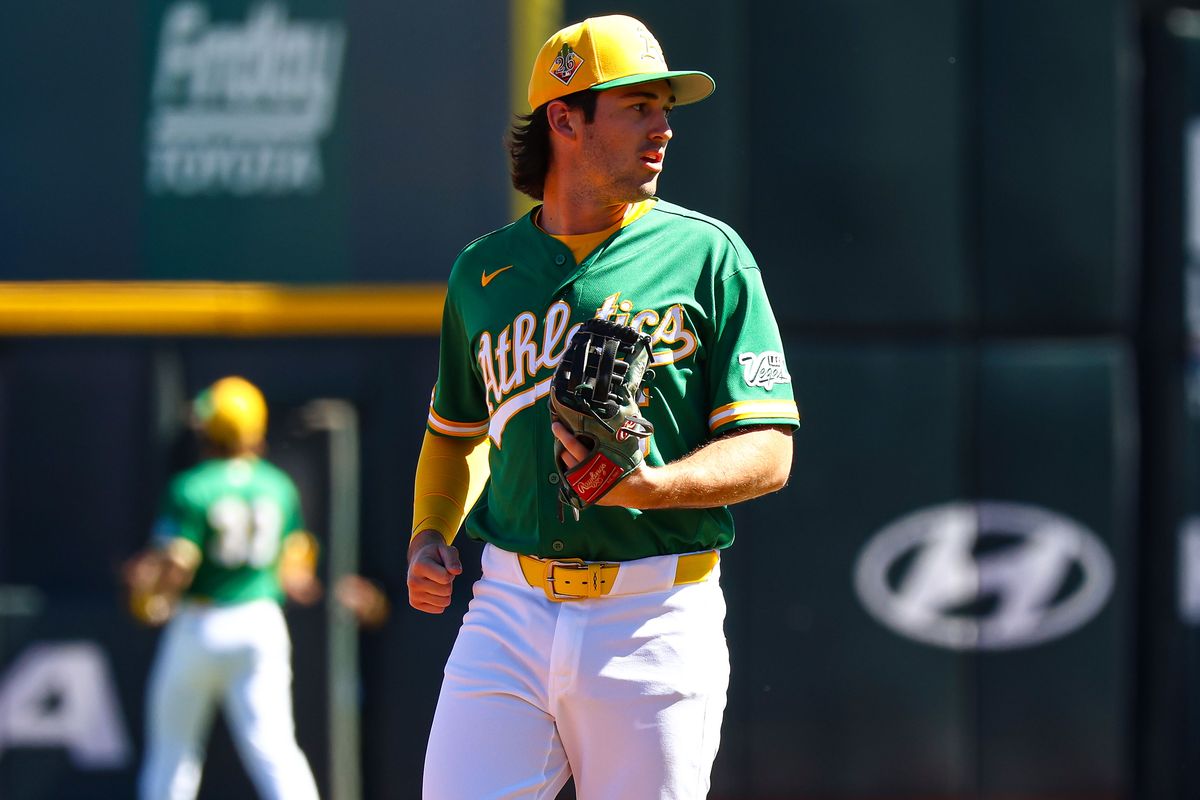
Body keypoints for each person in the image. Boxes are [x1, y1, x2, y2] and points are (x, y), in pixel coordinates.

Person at [407, 14, 800, 799]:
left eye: (665, 108)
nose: (664, 128)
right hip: (507, 607)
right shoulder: (483, 272)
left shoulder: (706, 256)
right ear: (565, 118)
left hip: (653, 612)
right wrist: (429, 534)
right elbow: (455, 435)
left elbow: (769, 451)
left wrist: (654, 488)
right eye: (639, 107)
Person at [124, 376, 322, 800]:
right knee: (274, 749)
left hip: (201, 620)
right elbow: (297, 570)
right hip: (261, 621)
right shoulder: (278, 485)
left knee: (173, 754)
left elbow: (178, 562)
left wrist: (151, 592)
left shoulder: (191, 486)